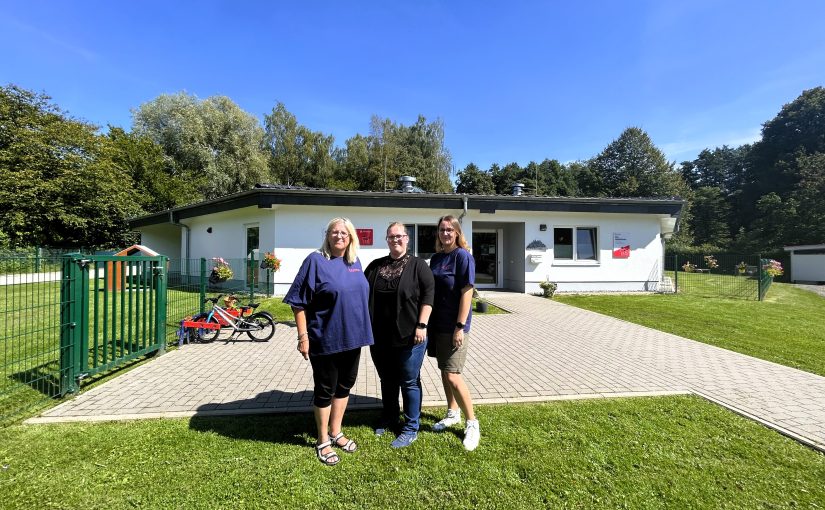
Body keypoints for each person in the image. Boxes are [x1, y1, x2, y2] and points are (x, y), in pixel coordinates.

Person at [284, 217, 374, 466]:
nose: (339, 236)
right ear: (328, 235)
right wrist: (303, 336)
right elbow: (298, 302)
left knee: (345, 386)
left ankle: (336, 431)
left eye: (344, 233)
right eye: (334, 232)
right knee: (325, 389)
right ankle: (322, 439)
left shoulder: (354, 261)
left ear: (351, 237)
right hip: (325, 339)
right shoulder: (315, 261)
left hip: (353, 338)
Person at [365, 222, 434, 448]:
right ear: (386, 240)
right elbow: (360, 293)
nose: (395, 240)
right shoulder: (375, 266)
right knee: (387, 379)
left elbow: (428, 297)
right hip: (380, 337)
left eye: (399, 236)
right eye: (391, 237)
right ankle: (390, 416)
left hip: (410, 337)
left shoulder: (418, 266)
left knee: (409, 381)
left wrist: (422, 326)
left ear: (407, 239)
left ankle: (411, 426)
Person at [428, 214, 480, 451]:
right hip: (437, 324)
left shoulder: (463, 257)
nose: (445, 233)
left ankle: (472, 422)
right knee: (444, 369)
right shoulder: (437, 258)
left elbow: (467, 292)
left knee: (453, 374)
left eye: (450, 230)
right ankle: (452, 412)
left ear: (457, 233)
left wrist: (459, 327)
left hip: (455, 326)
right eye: (442, 230)